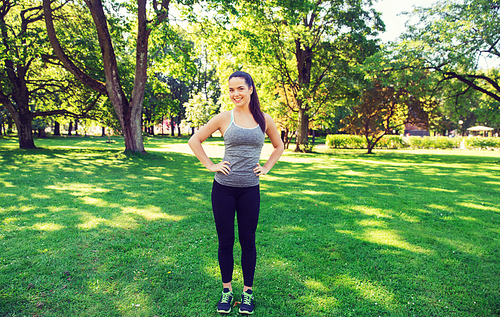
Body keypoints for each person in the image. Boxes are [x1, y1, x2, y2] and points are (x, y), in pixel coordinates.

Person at [188, 71, 284, 314]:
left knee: (248, 242)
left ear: (251, 89)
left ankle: (248, 293)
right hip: (223, 190)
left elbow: (278, 145)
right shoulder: (223, 118)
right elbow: (194, 141)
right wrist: (211, 165)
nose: (235, 94)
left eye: (240, 88)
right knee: (226, 241)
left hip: (250, 190)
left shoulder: (264, 119)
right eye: (231, 90)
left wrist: (267, 167)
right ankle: (227, 291)